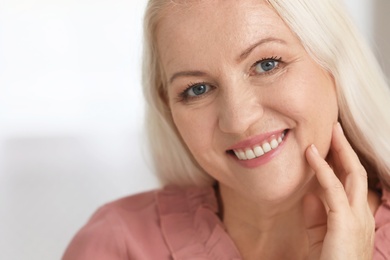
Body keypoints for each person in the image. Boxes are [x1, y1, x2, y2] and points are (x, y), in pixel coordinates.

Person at [63, 0, 390, 259]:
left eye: (267, 64)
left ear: (333, 64)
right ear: (169, 110)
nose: (238, 120)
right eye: (198, 89)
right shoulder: (115, 245)